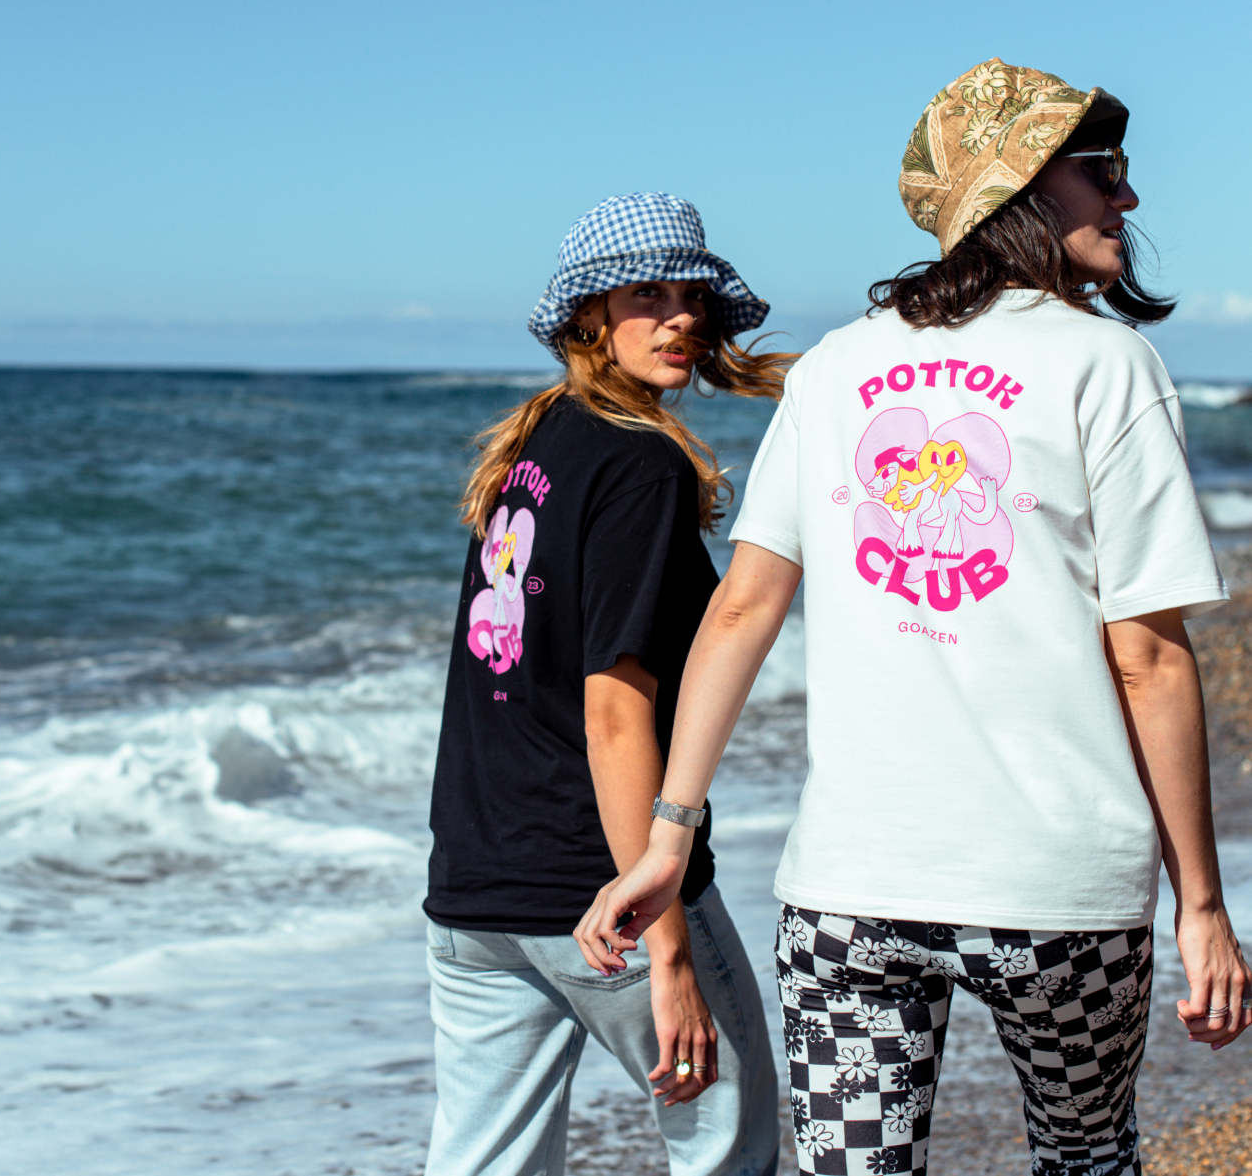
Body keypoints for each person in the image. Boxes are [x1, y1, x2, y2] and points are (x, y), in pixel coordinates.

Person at [575, 62, 1252, 1176]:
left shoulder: (838, 367)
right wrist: (1204, 904)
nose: (1127, 200)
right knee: (1086, 1163)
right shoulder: (1108, 366)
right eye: (1105, 174)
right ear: (1021, 188)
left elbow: (742, 608)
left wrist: (668, 832)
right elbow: (1147, 659)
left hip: (853, 897)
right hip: (1061, 897)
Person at [424, 193, 788, 1176]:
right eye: (648, 296)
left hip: (474, 887)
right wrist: (667, 947)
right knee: (731, 1148)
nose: (680, 319)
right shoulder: (641, 464)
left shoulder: (531, 446)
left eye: (692, 298)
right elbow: (615, 714)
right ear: (593, 315)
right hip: (603, 893)